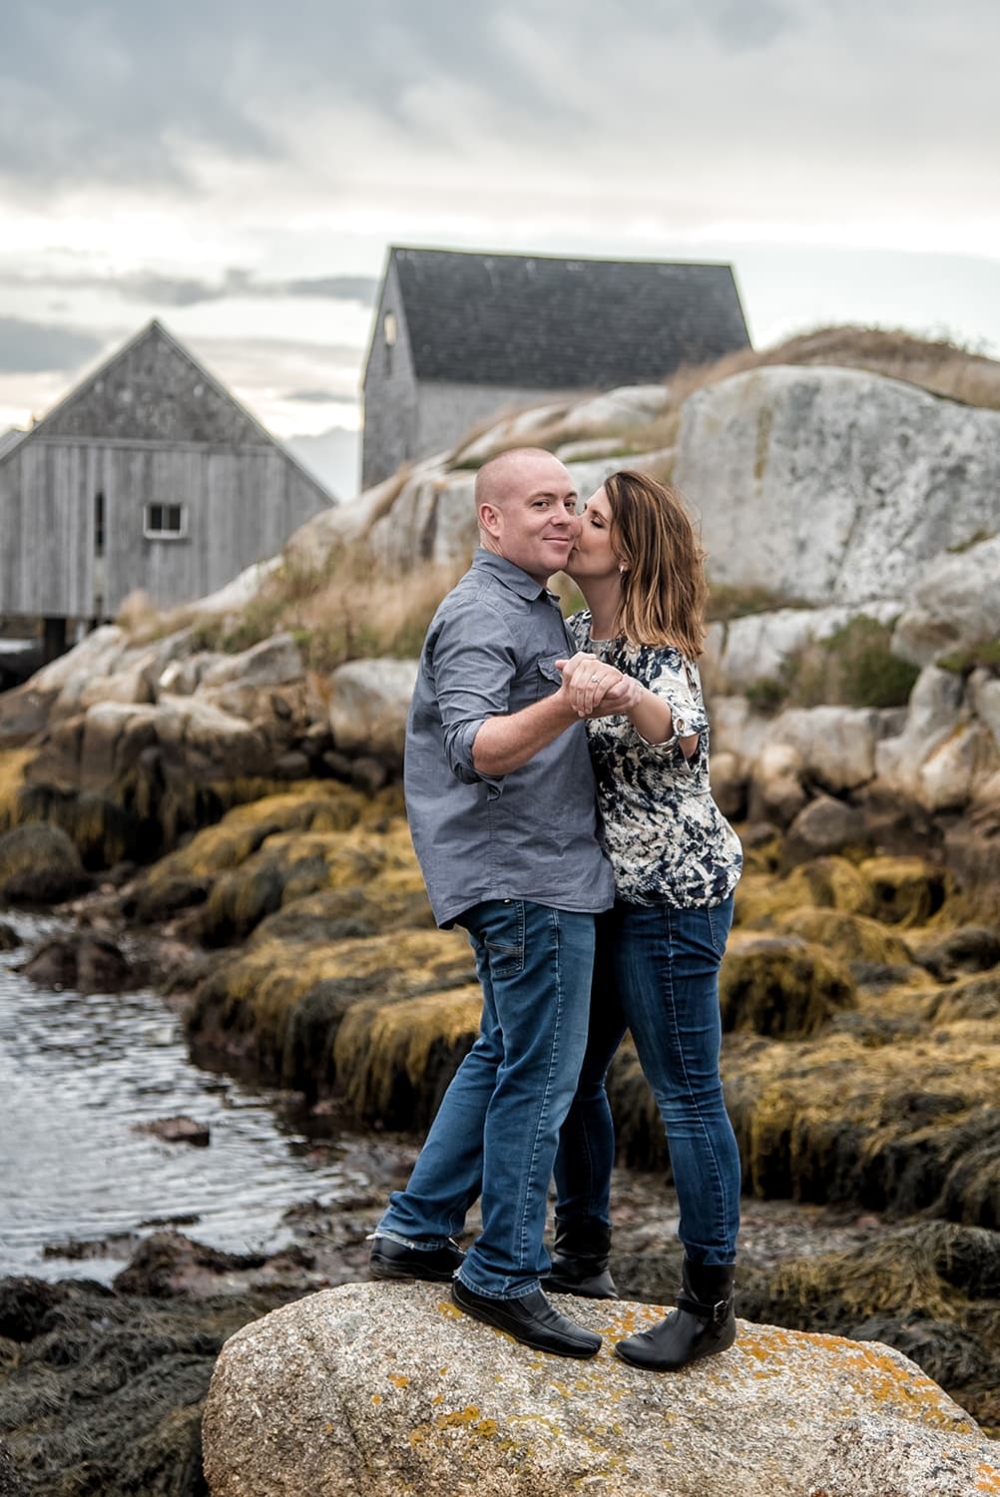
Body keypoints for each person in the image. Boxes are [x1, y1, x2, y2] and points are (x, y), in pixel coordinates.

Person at [368, 447, 626, 1360]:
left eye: (570, 501)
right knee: (542, 1072)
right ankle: (505, 1271)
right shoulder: (483, 612)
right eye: (540, 503)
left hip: (533, 873)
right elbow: (474, 745)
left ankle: (418, 1228)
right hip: (528, 879)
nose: (562, 516)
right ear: (491, 520)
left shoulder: (531, 602)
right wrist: (571, 705)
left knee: (506, 1051)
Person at [548, 468, 744, 1372]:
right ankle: (583, 1256)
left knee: (687, 1094)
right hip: (606, 898)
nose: (572, 528)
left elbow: (685, 729)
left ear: (623, 549)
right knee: (573, 1075)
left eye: (588, 519)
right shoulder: (579, 632)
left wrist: (627, 697)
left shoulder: (661, 654)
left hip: (674, 904)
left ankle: (708, 1306)